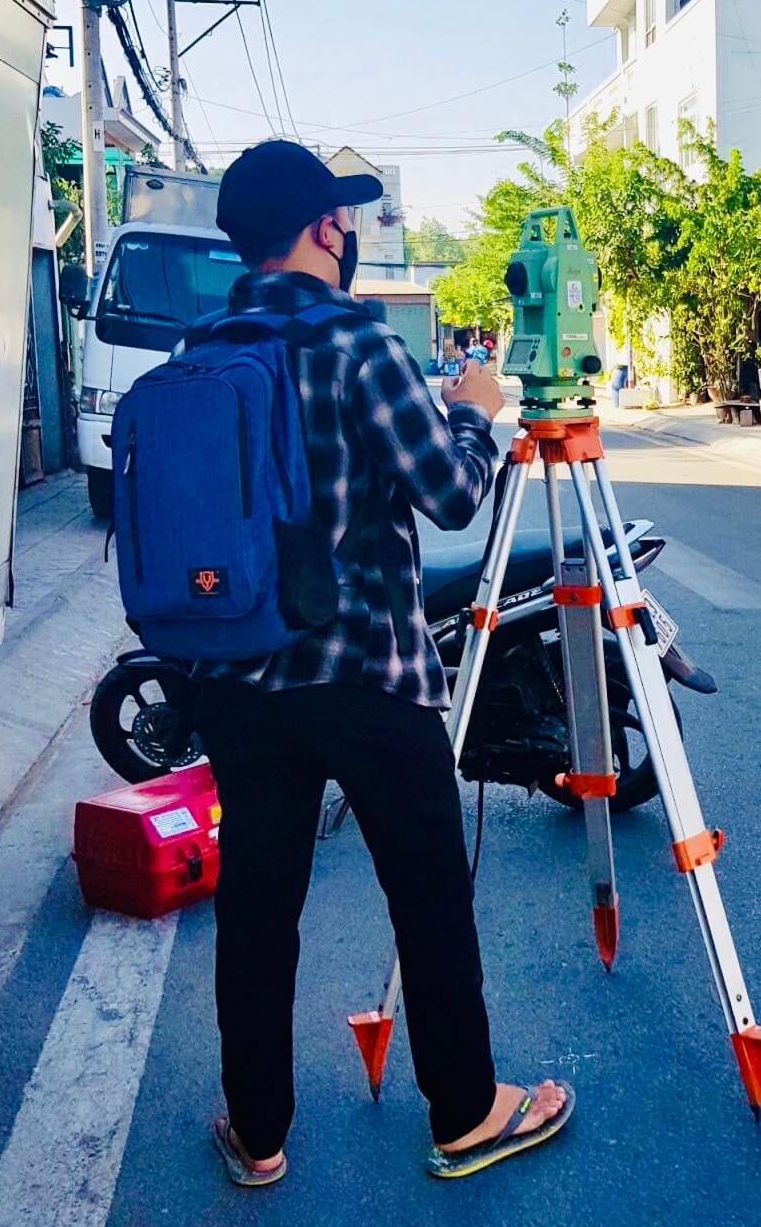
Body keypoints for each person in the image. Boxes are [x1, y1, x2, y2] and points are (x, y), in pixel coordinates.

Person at [197, 140, 571, 1187]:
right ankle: (467, 1113)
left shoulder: (201, 347)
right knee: (426, 893)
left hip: (235, 679)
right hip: (367, 672)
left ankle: (257, 1133)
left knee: (257, 907)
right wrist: (475, 411)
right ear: (325, 228)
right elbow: (450, 493)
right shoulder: (357, 341)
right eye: (345, 219)